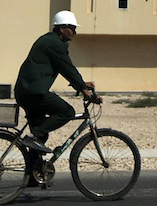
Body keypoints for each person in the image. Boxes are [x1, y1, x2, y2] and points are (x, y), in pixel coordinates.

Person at [14, 10, 97, 154]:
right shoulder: (54, 44)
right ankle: (35, 135)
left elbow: (65, 68)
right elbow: (67, 67)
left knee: (40, 138)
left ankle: (34, 173)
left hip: (26, 92)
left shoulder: (49, 40)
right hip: (33, 93)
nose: (74, 33)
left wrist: (82, 83)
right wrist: (83, 88)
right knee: (67, 112)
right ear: (62, 29)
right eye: (72, 29)